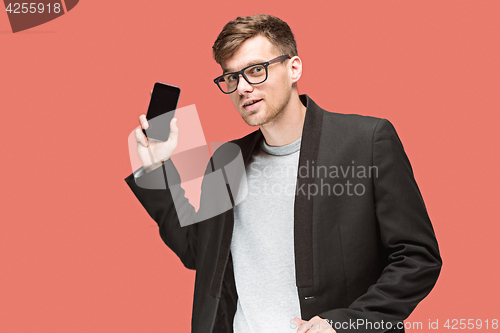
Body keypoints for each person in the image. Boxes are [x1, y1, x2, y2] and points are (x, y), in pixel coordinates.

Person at [125, 14, 441, 333]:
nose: (243, 88)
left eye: (256, 70)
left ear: (294, 68)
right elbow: (200, 253)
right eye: (231, 77)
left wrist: (346, 324)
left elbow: (417, 257)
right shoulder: (226, 160)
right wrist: (155, 168)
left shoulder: (366, 141)